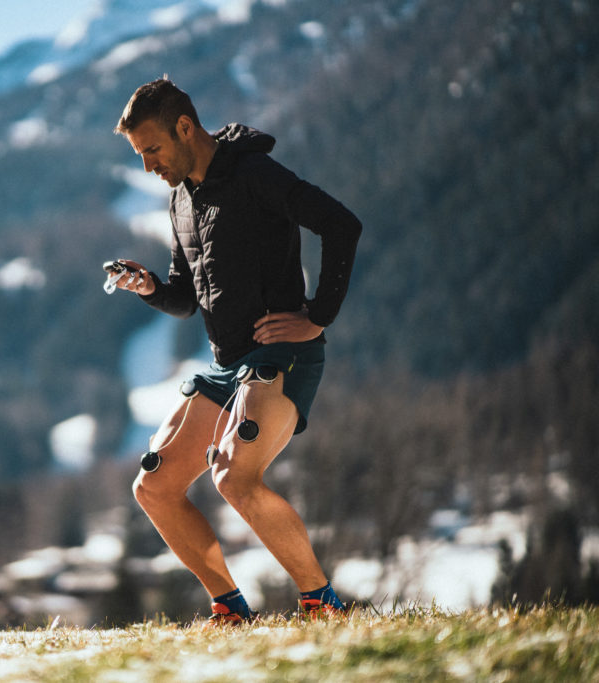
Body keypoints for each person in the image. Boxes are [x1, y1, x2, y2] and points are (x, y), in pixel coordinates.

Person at [108, 78, 362, 625]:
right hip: (228, 367)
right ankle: (229, 607)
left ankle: (322, 603)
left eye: (152, 149)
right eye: (139, 155)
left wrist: (316, 316)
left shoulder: (254, 174)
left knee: (233, 475)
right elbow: (184, 297)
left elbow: (342, 224)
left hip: (281, 359)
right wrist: (149, 287)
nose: (149, 165)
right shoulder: (180, 201)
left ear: (184, 127)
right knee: (153, 486)